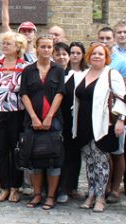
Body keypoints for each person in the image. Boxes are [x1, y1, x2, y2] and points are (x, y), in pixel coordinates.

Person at [73, 43, 126, 213]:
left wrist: (121, 120)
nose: (97, 56)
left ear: (106, 57)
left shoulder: (112, 74)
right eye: (94, 53)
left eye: (100, 54)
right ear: (88, 56)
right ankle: (91, 194)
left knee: (101, 162)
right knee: (89, 162)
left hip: (103, 125)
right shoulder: (82, 74)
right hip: (83, 124)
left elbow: (122, 99)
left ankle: (101, 197)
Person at [20, 35, 65, 210]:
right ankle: (37, 194)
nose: (46, 50)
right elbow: (24, 94)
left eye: (49, 47)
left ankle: (51, 196)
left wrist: (49, 117)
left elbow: (60, 93)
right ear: (37, 48)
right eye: (43, 47)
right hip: (32, 120)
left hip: (53, 121)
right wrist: (33, 117)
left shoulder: (58, 70)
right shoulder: (28, 70)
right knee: (35, 158)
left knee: (53, 157)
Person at [0, 31, 27, 203]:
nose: (4, 46)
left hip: (17, 114)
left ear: (18, 47)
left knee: (16, 151)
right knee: (0, 151)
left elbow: (26, 94)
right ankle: (4, 186)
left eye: (8, 43)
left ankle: (16, 188)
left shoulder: (25, 67)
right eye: (3, 43)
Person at [96, 27, 126, 204]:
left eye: (108, 38)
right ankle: (104, 186)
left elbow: (123, 92)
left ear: (114, 39)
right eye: (101, 38)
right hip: (100, 113)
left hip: (116, 112)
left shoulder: (121, 61)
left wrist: (122, 117)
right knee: (104, 152)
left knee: (118, 152)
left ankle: (115, 189)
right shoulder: (97, 57)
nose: (105, 41)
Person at [57, 41, 87, 203]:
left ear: (83, 55)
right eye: (72, 53)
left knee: (75, 154)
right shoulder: (62, 73)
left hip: (80, 119)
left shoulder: (87, 73)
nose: (75, 56)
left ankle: (72, 187)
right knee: (63, 153)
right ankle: (62, 187)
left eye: (78, 53)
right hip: (64, 119)